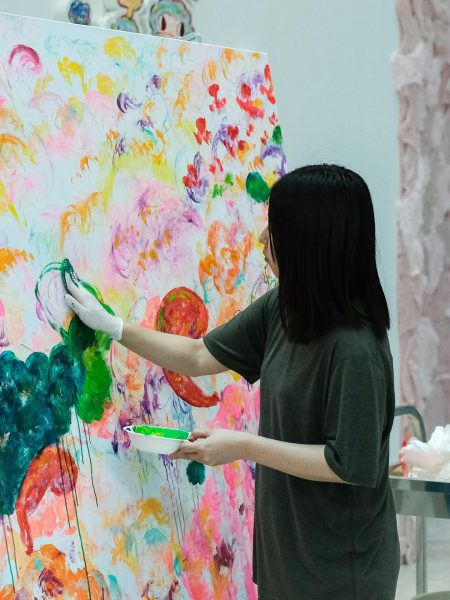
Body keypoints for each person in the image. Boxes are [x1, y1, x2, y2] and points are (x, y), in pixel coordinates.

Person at [64, 164, 400, 600]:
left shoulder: (355, 348)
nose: (261, 240)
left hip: (342, 571)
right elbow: (197, 356)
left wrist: (242, 445)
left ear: (307, 242)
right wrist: (113, 326)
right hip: (287, 560)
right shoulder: (285, 308)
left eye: (273, 231)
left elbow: (347, 465)